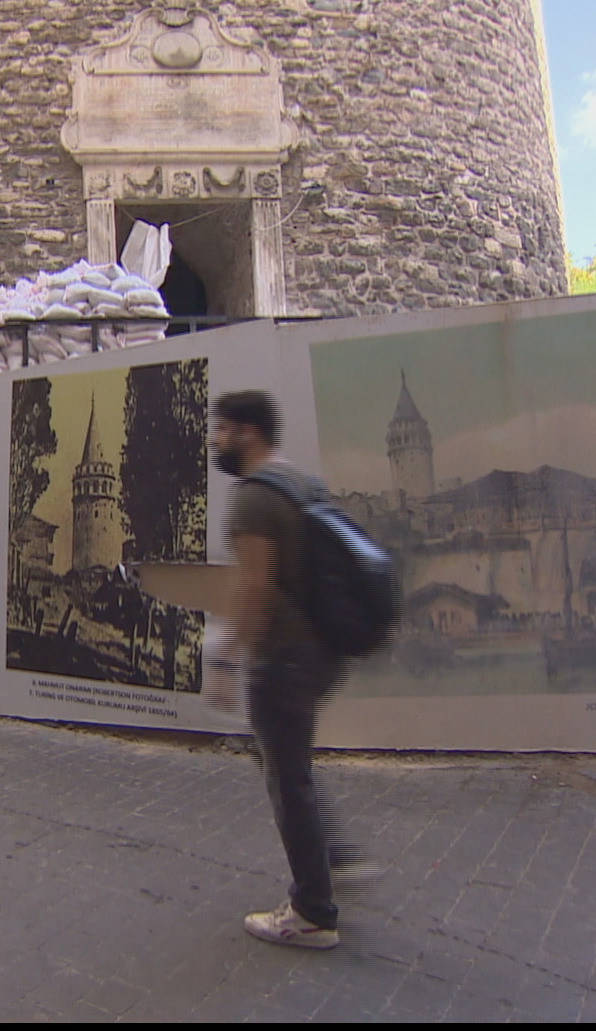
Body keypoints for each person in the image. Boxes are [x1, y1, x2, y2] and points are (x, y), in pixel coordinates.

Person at [211, 390, 371, 950]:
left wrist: (227, 657)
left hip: (283, 655)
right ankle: (336, 863)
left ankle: (312, 912)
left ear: (249, 432)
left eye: (223, 430)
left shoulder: (254, 499)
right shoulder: (304, 485)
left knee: (286, 775)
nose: (217, 440)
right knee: (291, 763)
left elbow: (254, 587)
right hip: (324, 648)